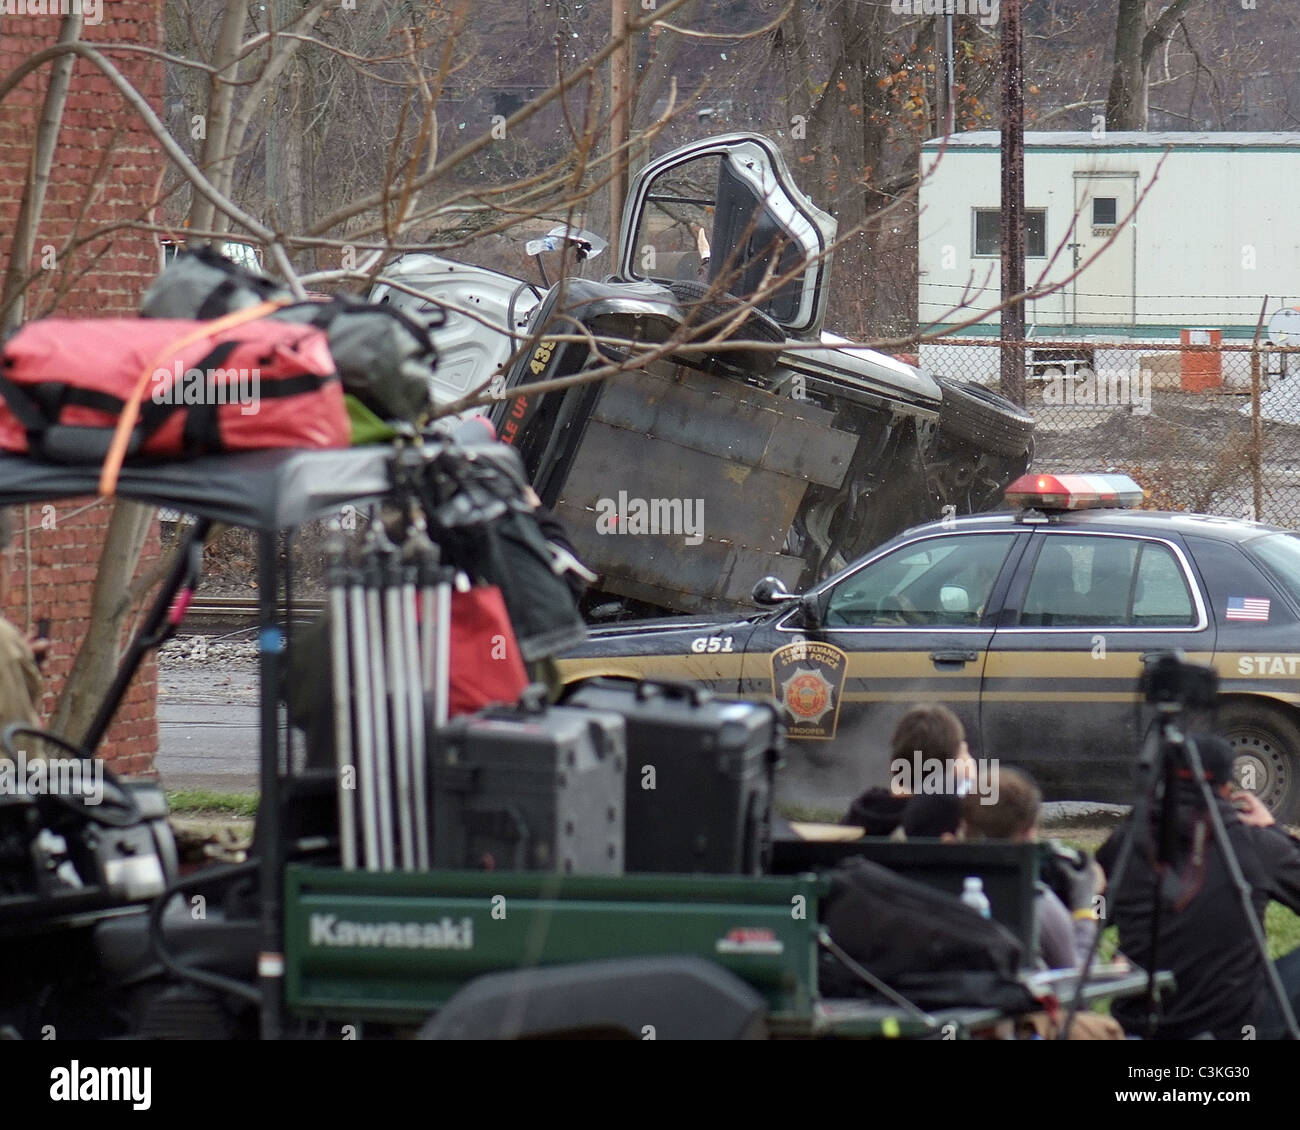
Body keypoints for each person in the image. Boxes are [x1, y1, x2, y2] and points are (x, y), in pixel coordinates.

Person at [1096, 733, 1300, 1040]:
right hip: (1236, 1029)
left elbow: (1091, 912)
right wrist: (1274, 831)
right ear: (1226, 786)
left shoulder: (1125, 843)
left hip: (1139, 1025)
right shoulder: (1258, 845)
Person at [962, 766, 1101, 971]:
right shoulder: (1036, 901)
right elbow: (1079, 978)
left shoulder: (934, 886)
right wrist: (1085, 909)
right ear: (1027, 833)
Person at [842, 703, 977, 835]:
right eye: (964, 753)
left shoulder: (861, 816)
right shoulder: (949, 826)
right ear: (954, 769)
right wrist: (969, 787)